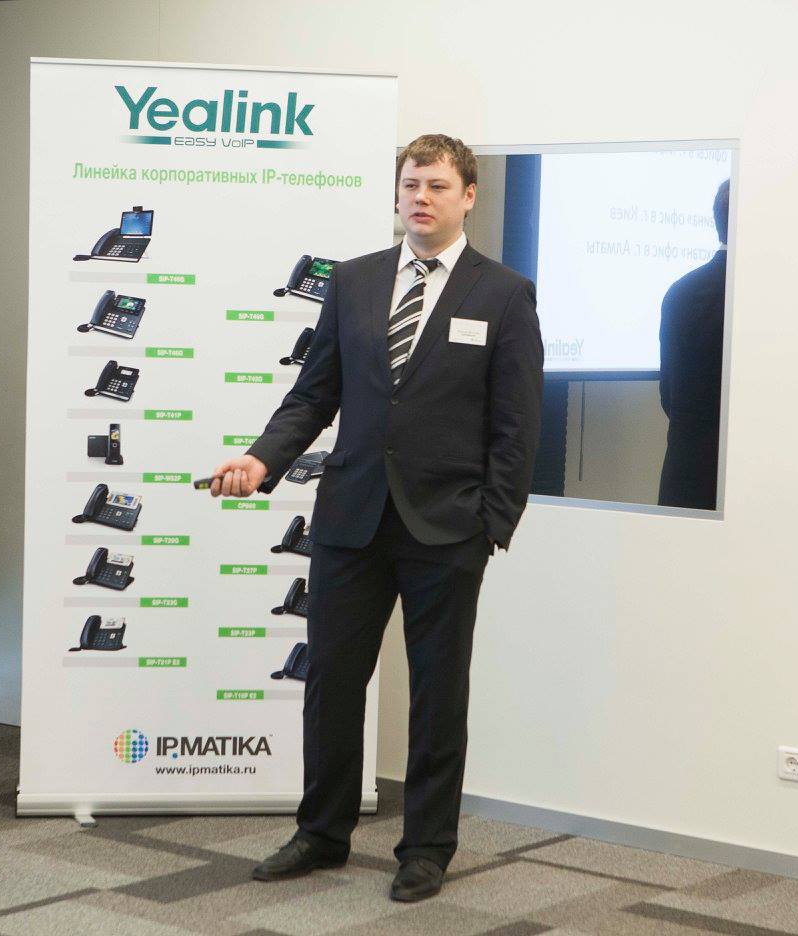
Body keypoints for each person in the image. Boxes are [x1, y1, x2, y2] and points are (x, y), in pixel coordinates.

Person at [207, 134, 543, 902]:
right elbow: (312, 396)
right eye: (410, 184)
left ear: (468, 197)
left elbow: (518, 423)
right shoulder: (353, 281)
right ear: (397, 193)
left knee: (437, 694)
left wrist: (492, 522)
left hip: (447, 528)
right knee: (330, 682)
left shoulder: (502, 294)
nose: (421, 197)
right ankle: (321, 832)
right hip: (350, 518)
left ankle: (425, 848)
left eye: (437, 185)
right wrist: (261, 461)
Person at [657, 179, 730, 511]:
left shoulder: (679, 292)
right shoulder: (765, 294)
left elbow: (668, 395)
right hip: (746, 479)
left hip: (684, 477)